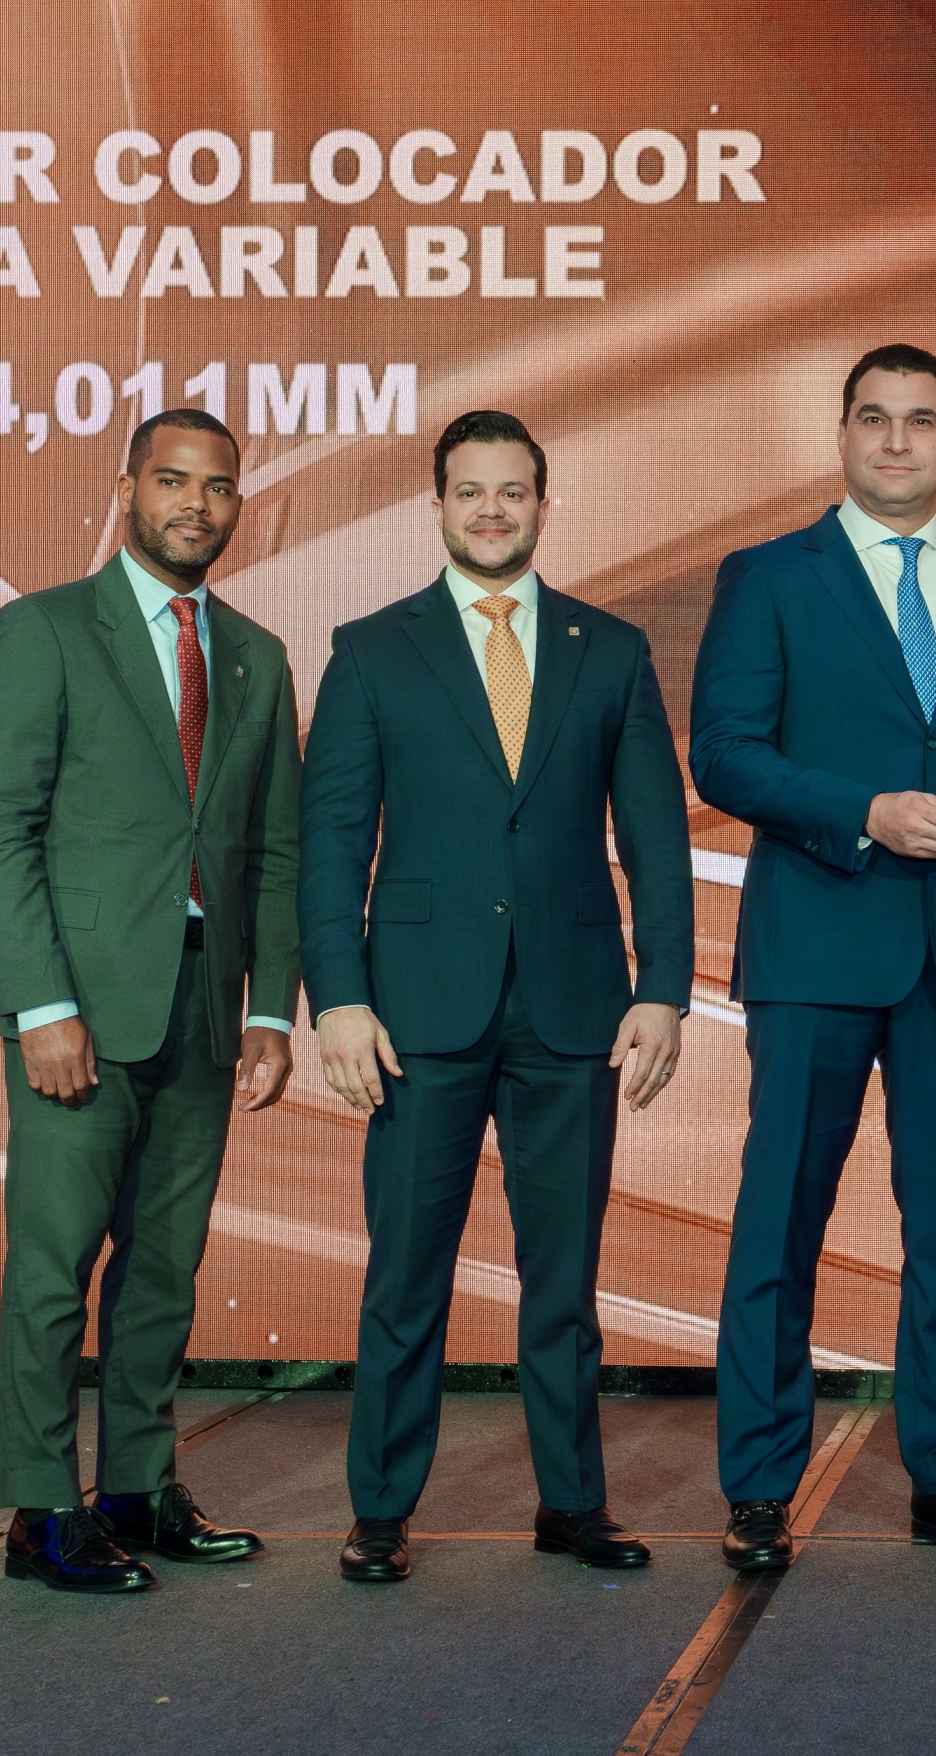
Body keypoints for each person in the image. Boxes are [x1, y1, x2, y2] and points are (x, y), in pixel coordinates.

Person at [300, 410, 694, 1586]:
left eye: (511, 491)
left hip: (575, 1011)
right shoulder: (372, 649)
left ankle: (572, 1504)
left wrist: (666, 988)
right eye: (469, 491)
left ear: (543, 504)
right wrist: (337, 997)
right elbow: (332, 841)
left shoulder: (610, 649)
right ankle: (380, 1509)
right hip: (416, 1014)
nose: (490, 510)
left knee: (563, 1280)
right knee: (406, 1273)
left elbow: (657, 836)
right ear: (437, 506)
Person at [690, 344, 936, 1571]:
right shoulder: (767, 576)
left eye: (921, 419)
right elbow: (724, 754)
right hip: (816, 946)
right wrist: (865, 812)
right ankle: (759, 1485)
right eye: (875, 418)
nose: (898, 440)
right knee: (780, 1224)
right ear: (843, 435)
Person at [0, 407, 302, 1595]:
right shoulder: (44, 630)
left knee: (164, 1268)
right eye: (172, 480)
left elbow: (273, 852)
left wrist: (271, 1011)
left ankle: (138, 1487)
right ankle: (42, 1510)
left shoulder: (256, 656)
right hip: (81, 1016)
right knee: (53, 1270)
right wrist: (41, 1003)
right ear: (126, 490)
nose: (195, 504)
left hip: (204, 1015)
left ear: (238, 504)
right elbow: (0, 829)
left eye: (218, 486)